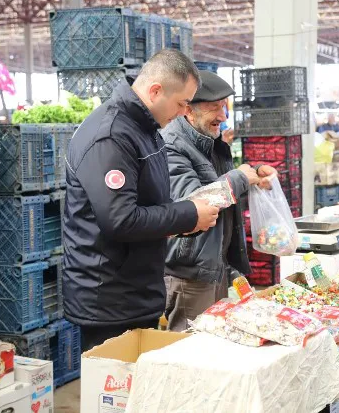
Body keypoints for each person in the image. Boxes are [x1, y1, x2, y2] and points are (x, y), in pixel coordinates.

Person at [63, 49, 221, 351]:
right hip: (109, 300)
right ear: (156, 91)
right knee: (114, 380)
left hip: (135, 291)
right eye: (181, 103)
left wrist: (181, 223)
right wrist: (187, 214)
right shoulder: (111, 137)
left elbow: (147, 203)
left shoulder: (145, 130)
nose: (183, 113)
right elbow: (120, 220)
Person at [161, 70, 278, 331]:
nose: (223, 116)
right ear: (188, 110)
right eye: (215, 107)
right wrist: (240, 178)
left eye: (224, 107)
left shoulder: (209, 141)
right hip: (189, 273)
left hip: (215, 265)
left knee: (213, 341)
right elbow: (193, 205)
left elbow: (218, 187)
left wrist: (253, 176)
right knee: (190, 346)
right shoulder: (172, 147)